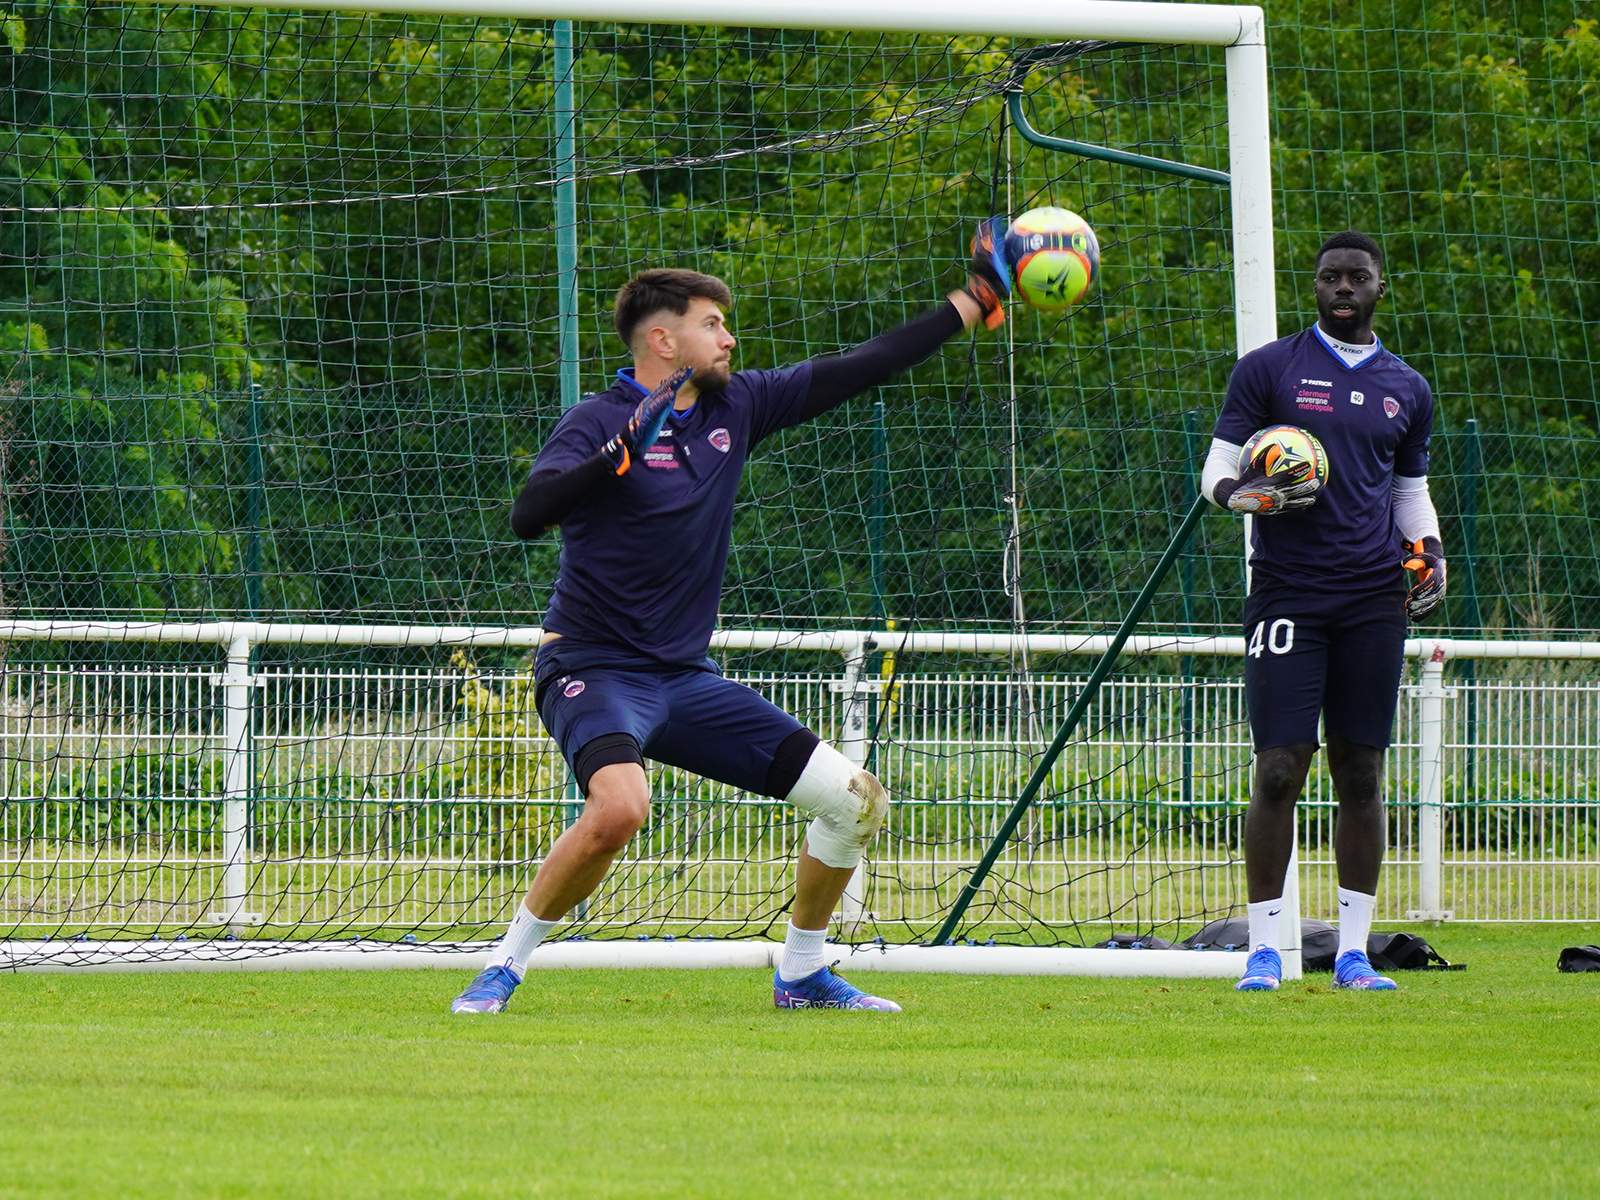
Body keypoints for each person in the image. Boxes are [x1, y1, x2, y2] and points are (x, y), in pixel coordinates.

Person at [450, 225, 1013, 1014]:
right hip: (591, 668)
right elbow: (527, 516)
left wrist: (971, 300)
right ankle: (502, 967)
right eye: (712, 323)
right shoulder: (596, 420)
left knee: (856, 801)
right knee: (620, 807)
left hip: (682, 681)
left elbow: (865, 365)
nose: (729, 336)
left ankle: (803, 974)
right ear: (662, 337)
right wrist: (615, 453)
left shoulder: (738, 404)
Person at [1200, 230, 1446, 993]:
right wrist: (1241, 494)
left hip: (1374, 598)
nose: (1344, 287)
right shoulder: (1269, 370)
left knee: (1361, 771)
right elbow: (1217, 466)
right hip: (1288, 592)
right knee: (1278, 769)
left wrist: (1431, 550)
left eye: (1358, 277)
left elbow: (1408, 494)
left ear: (1380, 289)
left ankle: (1351, 954)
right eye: (1331, 277)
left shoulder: (1408, 387)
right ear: (1315, 287)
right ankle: (1266, 951)